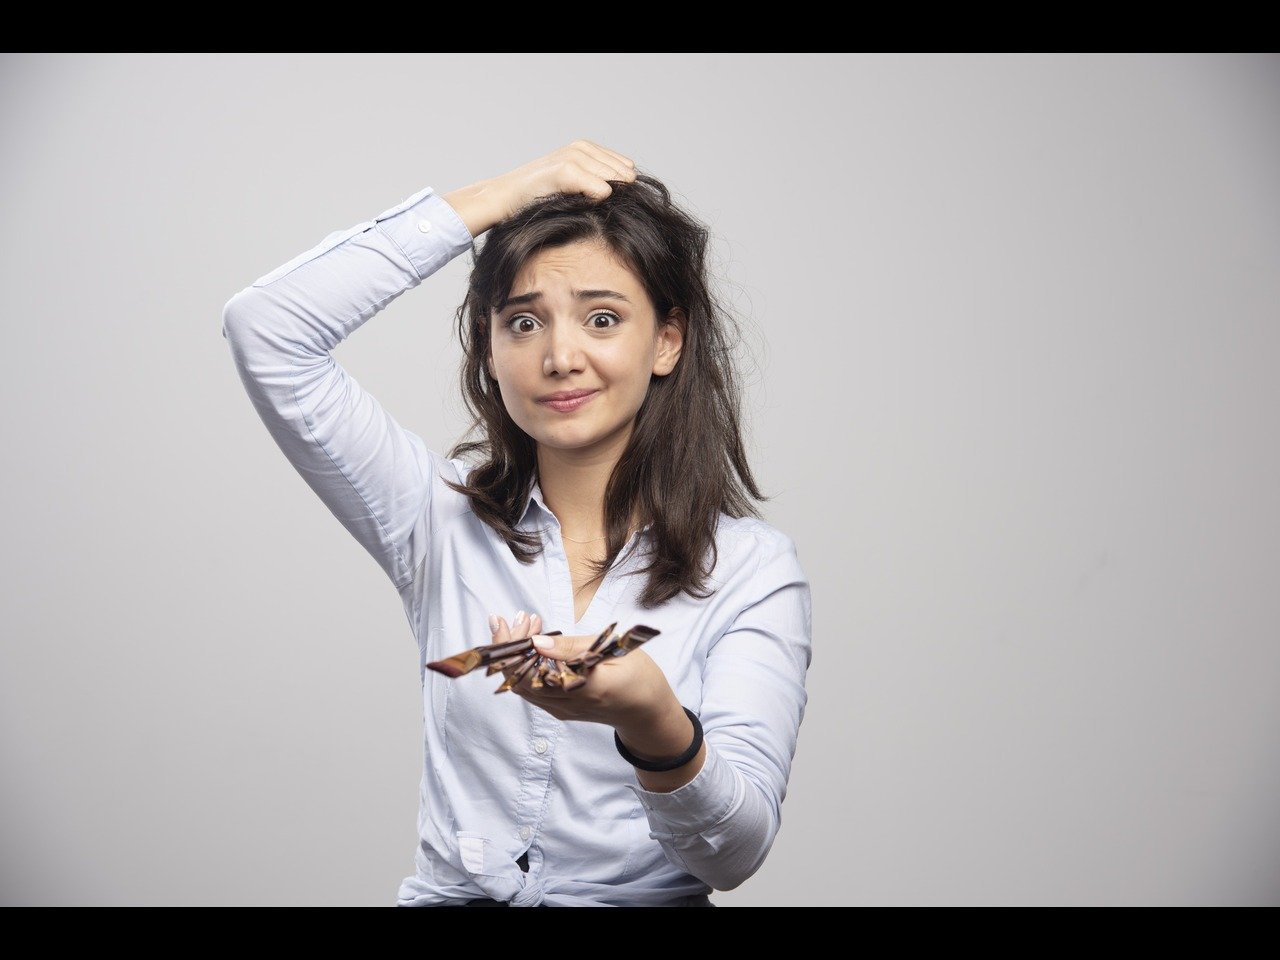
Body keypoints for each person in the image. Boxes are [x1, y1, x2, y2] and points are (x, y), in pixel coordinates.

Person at [221, 140, 813, 907]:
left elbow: (733, 856)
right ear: (490, 350)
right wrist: (508, 195)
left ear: (667, 340)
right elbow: (265, 328)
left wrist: (654, 719)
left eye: (602, 319)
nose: (560, 356)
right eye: (523, 323)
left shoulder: (752, 571)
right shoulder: (436, 516)